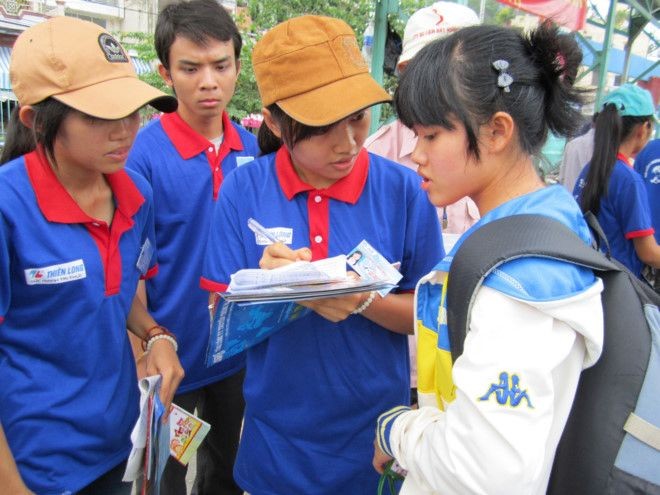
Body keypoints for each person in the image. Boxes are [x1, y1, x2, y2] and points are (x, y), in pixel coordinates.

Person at [200, 15, 443, 494]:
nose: (348, 141)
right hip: (277, 444)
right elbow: (218, 317)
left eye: (357, 117)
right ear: (273, 120)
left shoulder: (403, 191)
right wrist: (271, 291)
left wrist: (359, 300)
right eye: (323, 126)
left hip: (375, 442)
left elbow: (429, 315)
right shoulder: (244, 189)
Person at [372, 22, 605, 494]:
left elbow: (486, 469)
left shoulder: (521, 279)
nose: (416, 154)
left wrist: (396, 430)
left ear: (497, 131)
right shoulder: (527, 237)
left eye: (431, 135)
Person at [0, 17, 184, 495]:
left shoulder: (135, 194)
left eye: (132, 110)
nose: (125, 131)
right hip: (34, 462)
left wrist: (156, 335)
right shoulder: (8, 210)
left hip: (120, 444)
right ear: (35, 119)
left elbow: (116, 291)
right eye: (99, 116)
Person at [125, 1, 259, 494]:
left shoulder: (251, 151)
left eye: (221, 66)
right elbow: (130, 266)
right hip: (171, 360)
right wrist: (146, 347)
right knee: (165, 475)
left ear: (237, 67)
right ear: (166, 73)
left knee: (227, 471)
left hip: (237, 355)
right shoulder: (143, 155)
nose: (209, 81)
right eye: (190, 68)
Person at [365, 1, 480, 235]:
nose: (437, 83)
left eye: (452, 68)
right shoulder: (378, 153)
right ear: (405, 73)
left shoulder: (494, 143)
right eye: (423, 70)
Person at [574, 84, 660, 280]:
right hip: (620, 285)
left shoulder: (589, 170)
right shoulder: (629, 180)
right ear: (643, 129)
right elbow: (648, 253)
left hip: (590, 277)